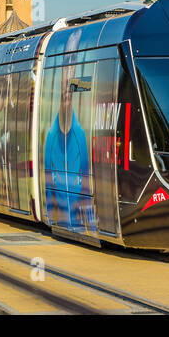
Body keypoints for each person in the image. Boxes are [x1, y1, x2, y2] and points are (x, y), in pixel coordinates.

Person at [43, 77, 95, 234]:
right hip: (64, 211)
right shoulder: (52, 136)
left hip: (75, 211)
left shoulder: (78, 134)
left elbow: (85, 176)